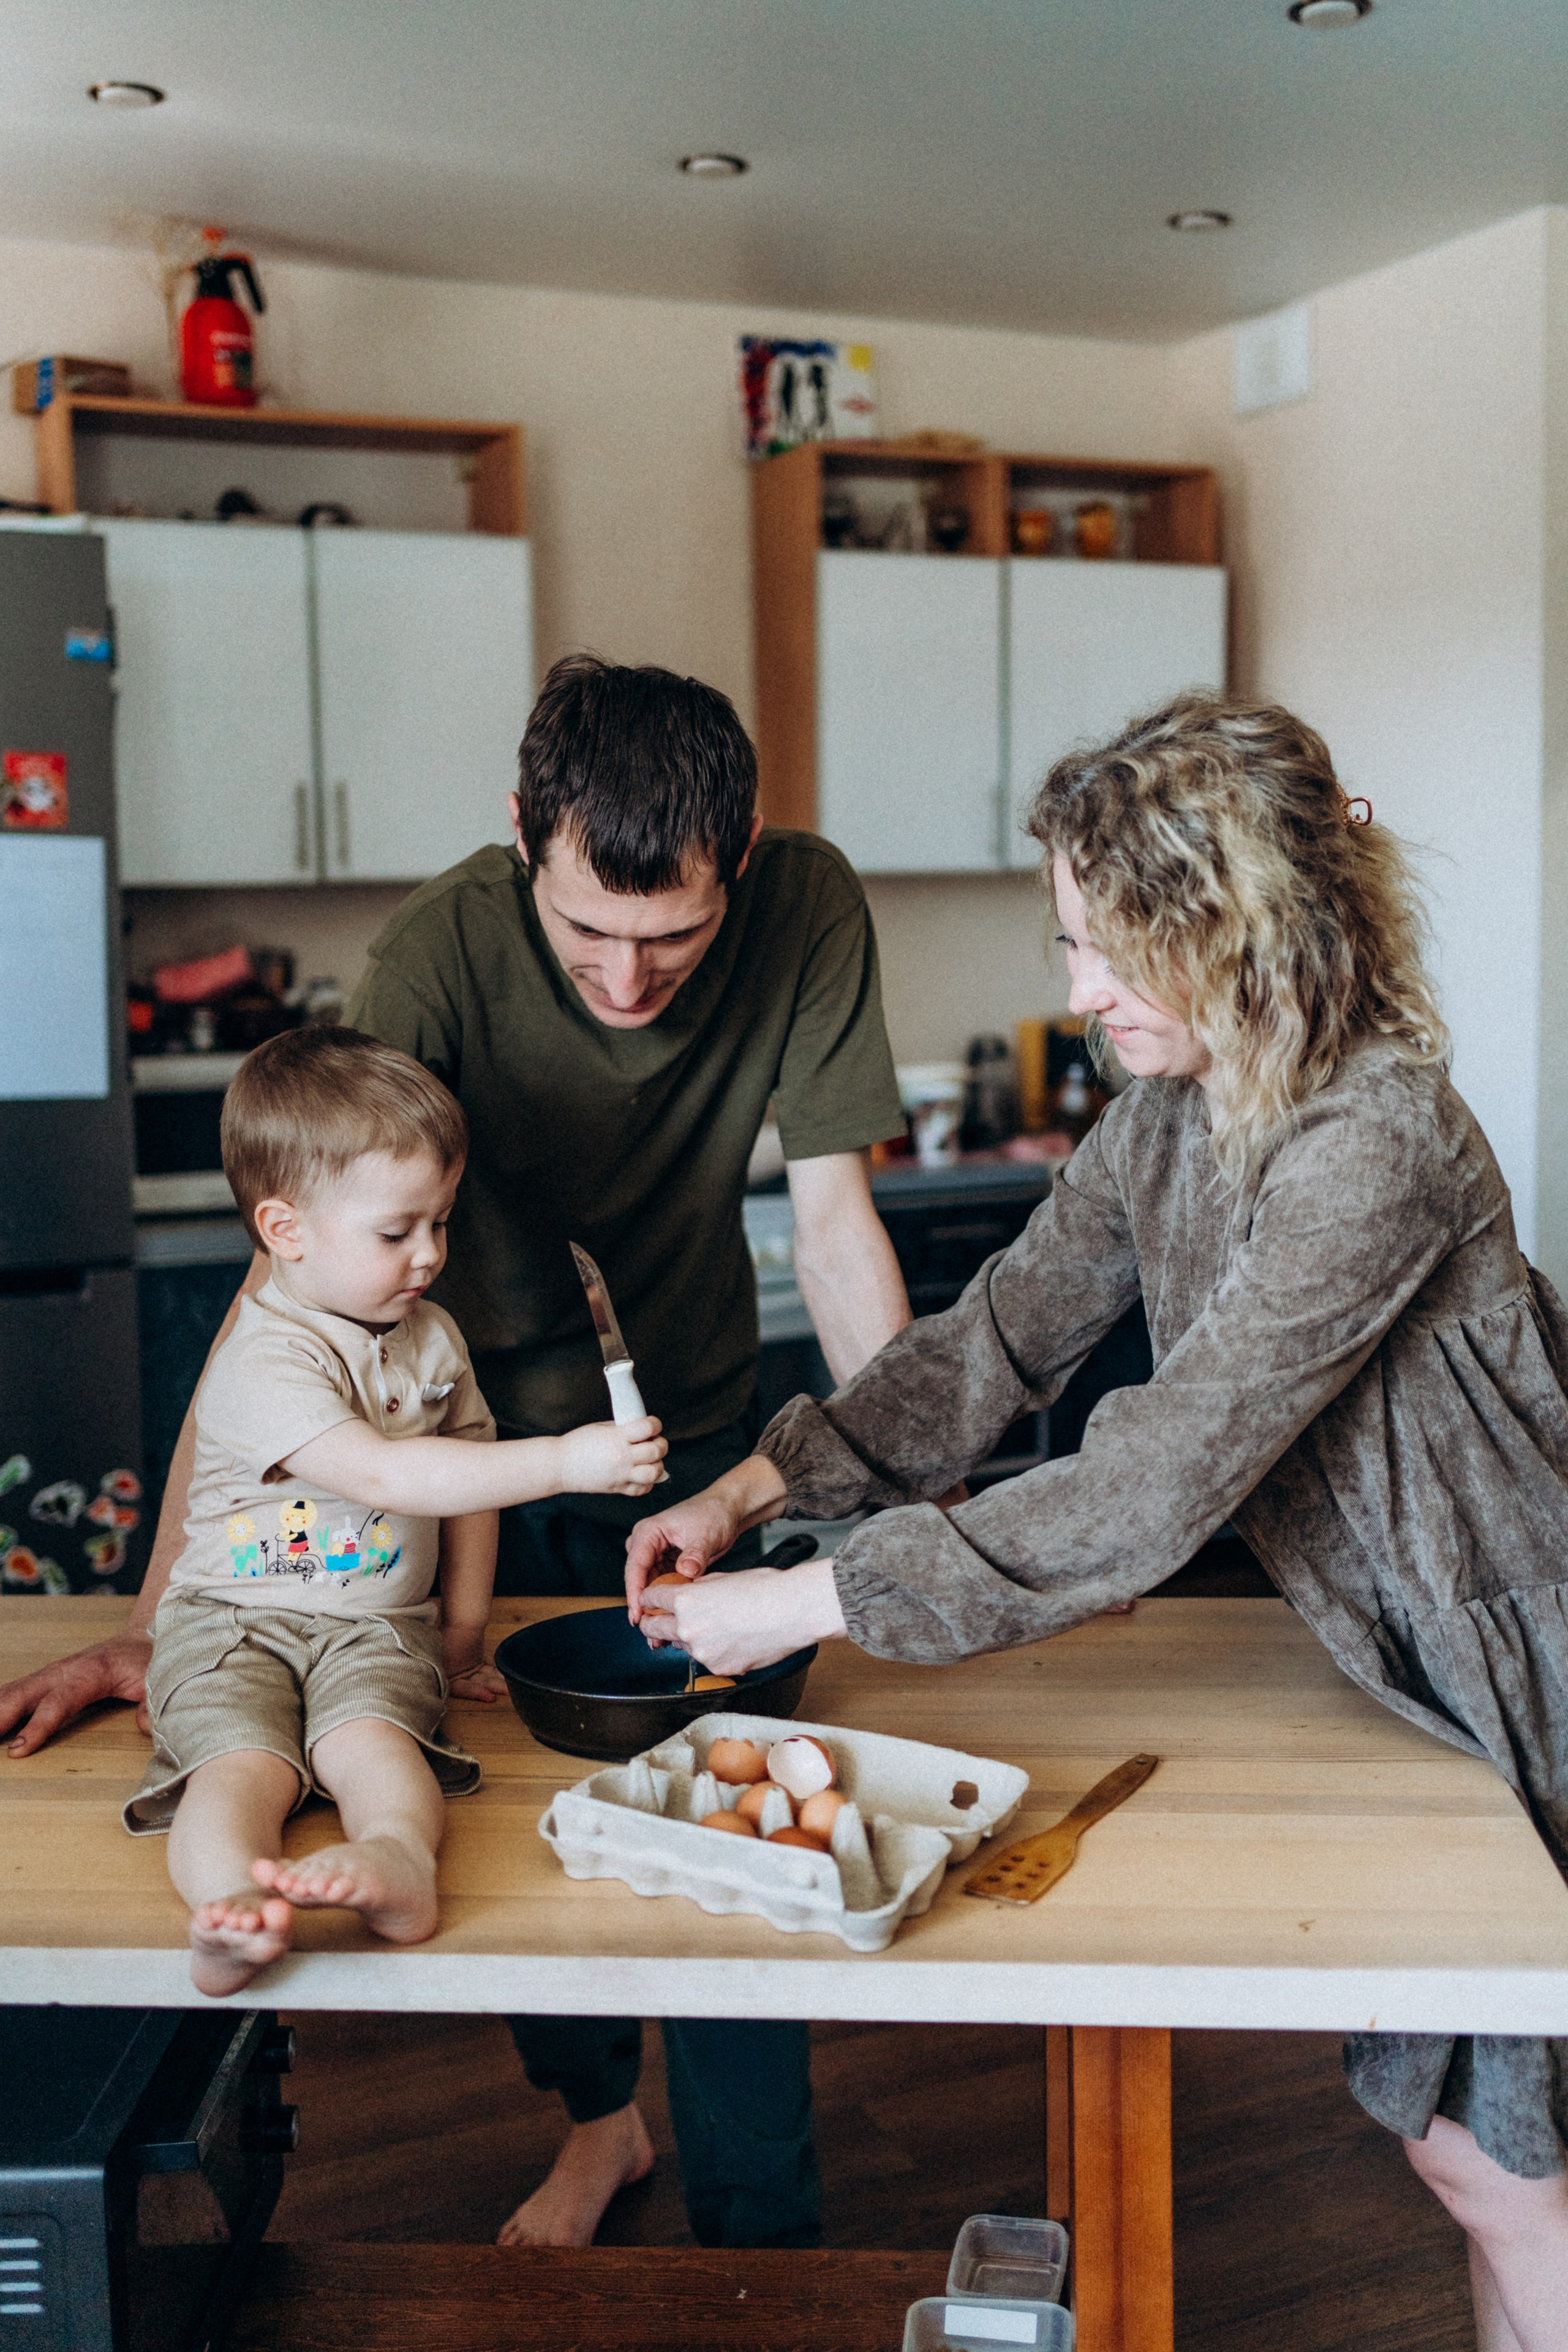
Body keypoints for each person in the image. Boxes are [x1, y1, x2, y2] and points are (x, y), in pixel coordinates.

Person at [627, 694, 1568, 2352]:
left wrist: (805, 1606)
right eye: (1070, 941)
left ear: (1245, 931)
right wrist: (755, 1484)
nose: (1075, 993)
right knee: (1474, 2159)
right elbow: (998, 1338)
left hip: (1522, 1661)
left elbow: (1156, 1478)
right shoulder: (1165, 1115)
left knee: (1506, 2168)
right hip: (1407, 1670)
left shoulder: (1377, 1142)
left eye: (1112, 948)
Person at [0, 654, 911, 2253]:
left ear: (744, 866)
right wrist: (162, 1615)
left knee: (725, 1834)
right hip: (454, 1459)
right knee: (498, 1842)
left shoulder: (812, 907)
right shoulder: (432, 955)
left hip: (691, 1456)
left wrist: (929, 1502)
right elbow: (283, 1321)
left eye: (674, 938)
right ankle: (599, 2127)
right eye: (587, 937)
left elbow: (837, 1233)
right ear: (521, 840)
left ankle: (765, 2236)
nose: (629, 981)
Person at [134, 1027, 664, 1997]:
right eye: (396, 1232)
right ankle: (230, 1916)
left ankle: (398, 1864)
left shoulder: (434, 1337)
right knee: (239, 1767)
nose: (429, 1254)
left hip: (377, 1627)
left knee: (372, 1745)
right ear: (285, 1230)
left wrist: (460, 1635)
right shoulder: (264, 1358)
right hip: (227, 1623)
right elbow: (385, 1477)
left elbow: (466, 1484)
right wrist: (566, 1460)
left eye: (442, 1221)